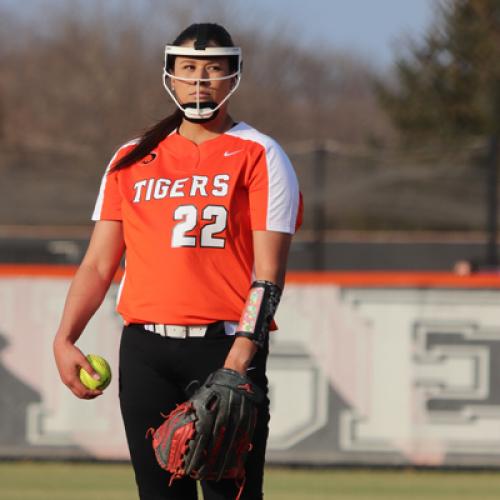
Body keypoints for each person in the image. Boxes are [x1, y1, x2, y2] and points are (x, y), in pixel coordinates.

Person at [53, 22, 302, 500]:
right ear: (170, 75)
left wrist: (240, 359)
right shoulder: (131, 157)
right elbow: (98, 265)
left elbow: (268, 276)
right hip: (145, 351)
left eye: (213, 69)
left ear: (234, 77)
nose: (200, 80)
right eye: (188, 68)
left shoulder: (261, 154)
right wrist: (65, 338)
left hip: (225, 348)